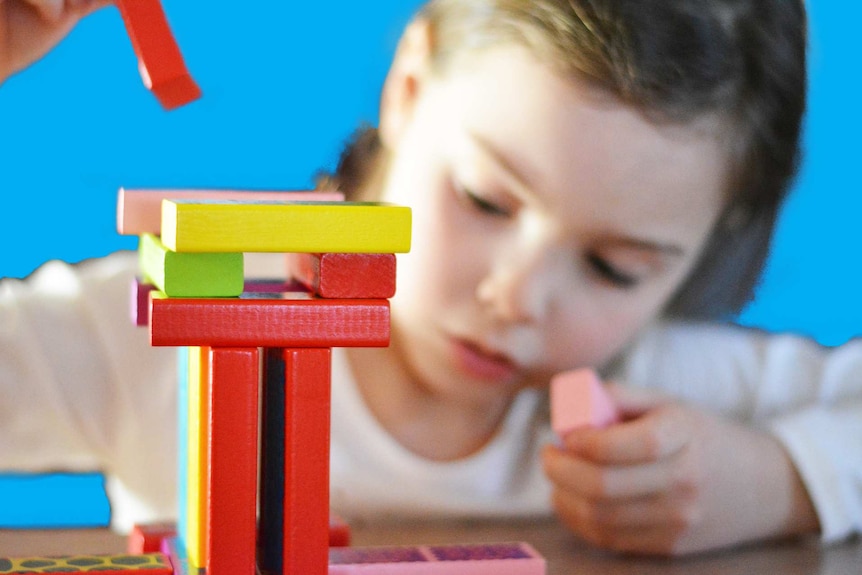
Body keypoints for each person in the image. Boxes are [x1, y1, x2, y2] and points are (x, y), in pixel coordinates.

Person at [1, 0, 860, 557]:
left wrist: (779, 477)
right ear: (410, 87)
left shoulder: (666, 392)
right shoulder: (160, 331)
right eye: (485, 199)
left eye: (613, 266)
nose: (516, 297)